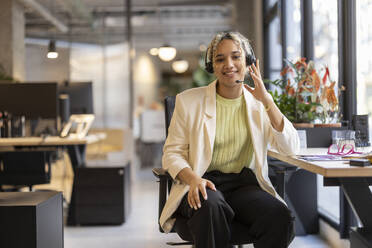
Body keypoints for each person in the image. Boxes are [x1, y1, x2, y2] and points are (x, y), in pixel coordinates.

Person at [159, 31, 300, 248]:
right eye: (220, 59)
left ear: (248, 61)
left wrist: (267, 102)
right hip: (201, 182)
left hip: (243, 184)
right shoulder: (188, 102)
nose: (229, 64)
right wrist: (193, 179)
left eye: (236, 56)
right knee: (211, 207)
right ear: (212, 66)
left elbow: (290, 148)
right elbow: (172, 153)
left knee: (278, 216)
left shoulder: (259, 103)